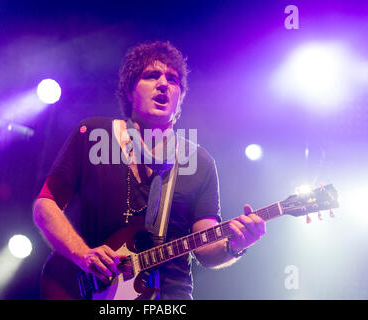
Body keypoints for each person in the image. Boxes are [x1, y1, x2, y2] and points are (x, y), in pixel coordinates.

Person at [33, 41, 266, 300]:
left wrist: (235, 246)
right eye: (152, 75)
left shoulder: (199, 162)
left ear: (180, 100)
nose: (164, 84)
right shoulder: (93, 135)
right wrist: (82, 254)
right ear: (130, 92)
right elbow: (46, 205)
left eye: (173, 79)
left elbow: (205, 247)